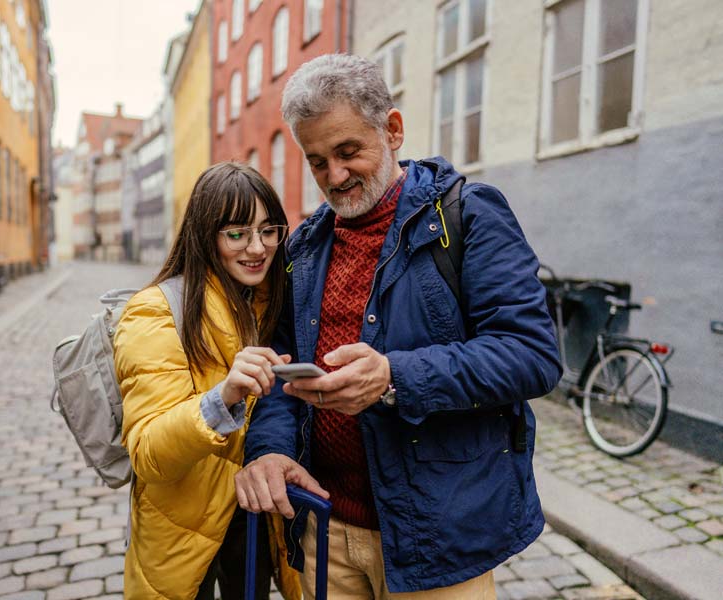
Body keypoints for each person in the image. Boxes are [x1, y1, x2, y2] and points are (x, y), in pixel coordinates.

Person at [234, 54, 562, 599]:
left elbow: (531, 354)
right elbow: (280, 363)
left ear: (392, 130)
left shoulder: (470, 215)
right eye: (316, 162)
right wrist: (268, 448)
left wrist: (394, 378)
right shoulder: (305, 245)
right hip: (326, 530)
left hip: (438, 538)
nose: (334, 177)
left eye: (347, 152)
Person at [114, 162, 300, 599]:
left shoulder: (271, 302)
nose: (257, 247)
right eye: (237, 234)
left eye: (268, 230)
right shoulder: (154, 311)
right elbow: (147, 452)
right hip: (180, 526)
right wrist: (222, 398)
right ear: (205, 236)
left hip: (252, 517)